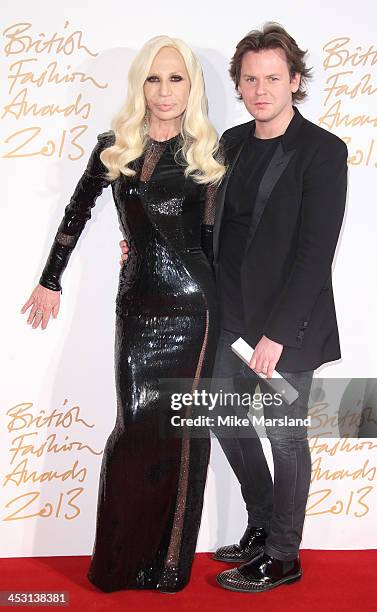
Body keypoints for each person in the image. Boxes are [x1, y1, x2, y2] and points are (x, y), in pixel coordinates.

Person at [120, 22, 348, 594]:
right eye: (250, 79)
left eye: (273, 77)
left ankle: (284, 555)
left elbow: (316, 254)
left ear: (295, 81)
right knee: (221, 419)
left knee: (286, 436)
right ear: (239, 85)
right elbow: (202, 221)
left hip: (289, 326)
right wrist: (143, 240)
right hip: (231, 316)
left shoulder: (322, 151)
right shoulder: (231, 145)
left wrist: (278, 334)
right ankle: (264, 523)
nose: (261, 88)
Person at [21, 35, 225, 593]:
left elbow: (214, 239)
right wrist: (50, 278)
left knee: (182, 434)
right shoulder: (115, 146)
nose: (164, 91)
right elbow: (77, 210)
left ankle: (165, 567)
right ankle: (118, 562)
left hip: (193, 309)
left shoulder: (208, 151)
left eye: (176, 79)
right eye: (154, 79)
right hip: (136, 305)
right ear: (140, 84)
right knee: (134, 429)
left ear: (191, 86)